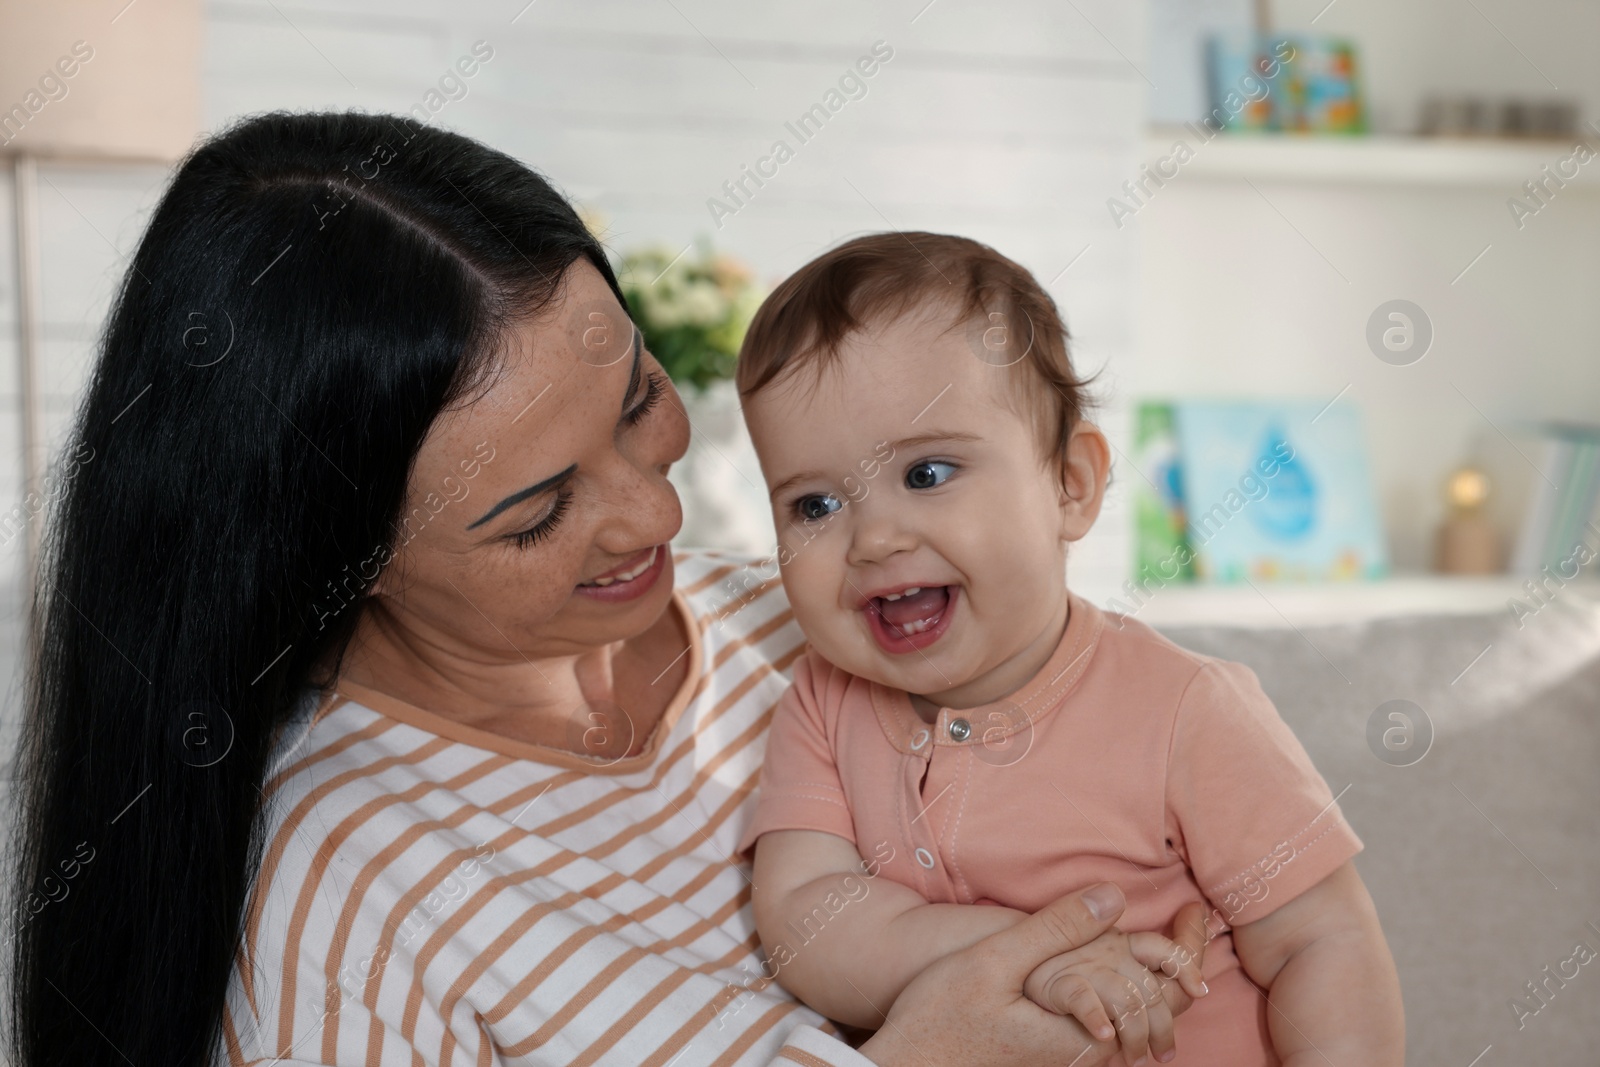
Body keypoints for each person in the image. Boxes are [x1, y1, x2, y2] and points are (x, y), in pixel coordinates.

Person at [7, 112, 1211, 1067]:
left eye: (640, 402)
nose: (656, 515)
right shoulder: (344, 887)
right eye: (534, 510)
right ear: (334, 560)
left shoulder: (825, 620)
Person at [733, 233, 1407, 1066]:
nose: (872, 538)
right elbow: (807, 921)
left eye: (928, 474)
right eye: (815, 503)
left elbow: (1323, 941)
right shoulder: (821, 699)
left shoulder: (1186, 709)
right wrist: (1031, 952)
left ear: (1071, 485)